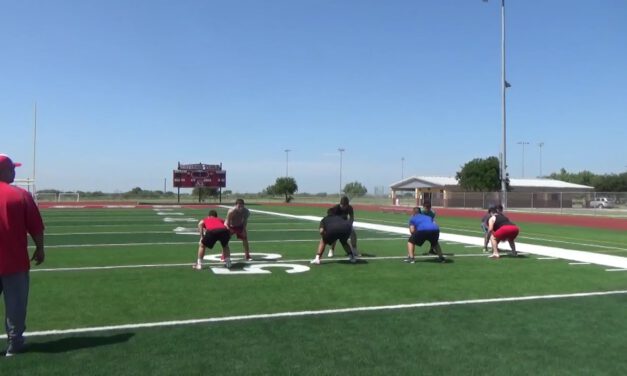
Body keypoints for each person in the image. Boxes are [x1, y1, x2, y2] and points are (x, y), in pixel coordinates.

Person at [0, 154, 45, 357]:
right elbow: (35, 227)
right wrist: (40, 248)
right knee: (16, 305)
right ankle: (14, 344)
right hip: (14, 261)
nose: (15, 172)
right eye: (12, 168)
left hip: (13, 261)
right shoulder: (20, 195)